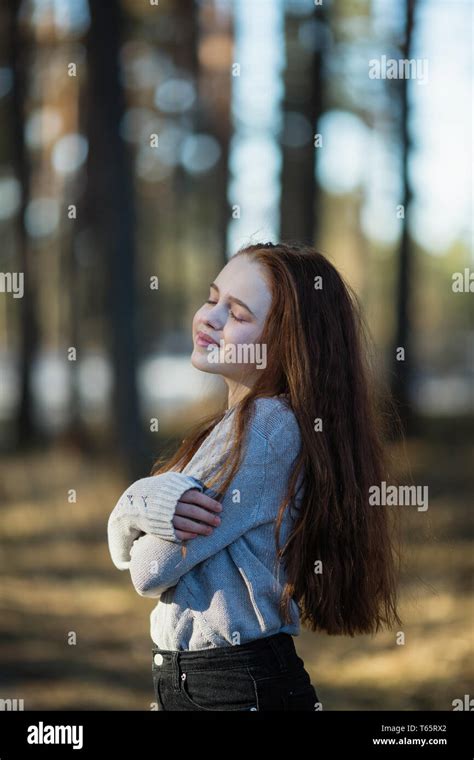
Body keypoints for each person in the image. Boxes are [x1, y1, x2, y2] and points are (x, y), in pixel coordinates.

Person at [107, 241, 401, 711]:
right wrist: (141, 503)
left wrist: (133, 506)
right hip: (208, 684)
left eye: (238, 315)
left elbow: (146, 569)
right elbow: (126, 550)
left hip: (233, 688)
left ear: (287, 342)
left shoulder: (265, 429)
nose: (209, 318)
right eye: (212, 298)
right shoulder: (239, 426)